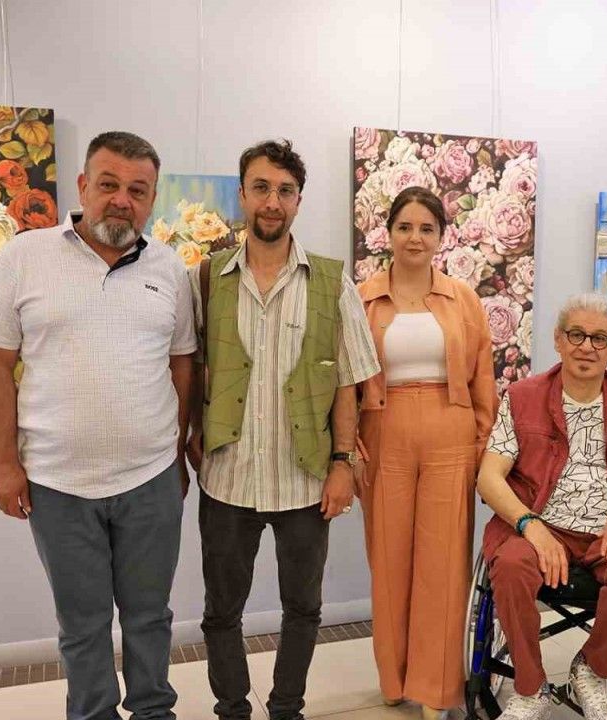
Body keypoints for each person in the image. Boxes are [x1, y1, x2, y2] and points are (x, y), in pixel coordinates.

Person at [0, 131, 196, 720]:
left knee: (150, 617)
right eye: (109, 184)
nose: (122, 200)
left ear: (152, 199)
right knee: (83, 623)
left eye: (138, 190)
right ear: (82, 187)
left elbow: (182, 366)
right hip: (56, 484)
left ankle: (153, 711)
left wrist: (177, 454)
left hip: (150, 480)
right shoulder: (25, 256)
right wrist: (4, 464)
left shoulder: (169, 269)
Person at [185, 139, 380, 720]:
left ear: (298, 200)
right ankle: (231, 709)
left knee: (303, 608)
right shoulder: (206, 278)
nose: (273, 201)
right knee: (222, 611)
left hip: (305, 480)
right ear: (243, 195)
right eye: (262, 188)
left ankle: (286, 709)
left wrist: (343, 463)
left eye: (285, 191)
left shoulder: (332, 282)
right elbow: (190, 367)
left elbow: (347, 382)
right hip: (228, 477)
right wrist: (189, 433)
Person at [477, 293, 607, 720]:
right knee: (510, 565)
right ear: (558, 340)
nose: (587, 347)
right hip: (540, 524)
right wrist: (530, 524)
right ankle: (530, 687)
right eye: (577, 335)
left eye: (599, 338)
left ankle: (590, 669)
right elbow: (488, 477)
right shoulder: (522, 396)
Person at [355, 187, 497, 719]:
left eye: (426, 229)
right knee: (389, 560)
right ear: (388, 232)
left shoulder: (463, 298)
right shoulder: (361, 298)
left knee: (444, 563)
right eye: (405, 227)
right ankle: (394, 679)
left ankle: (437, 689)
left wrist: (482, 444)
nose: (415, 238)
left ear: (440, 237)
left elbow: (483, 377)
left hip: (450, 432)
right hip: (382, 430)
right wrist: (348, 446)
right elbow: (343, 378)